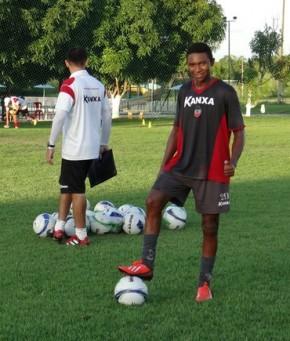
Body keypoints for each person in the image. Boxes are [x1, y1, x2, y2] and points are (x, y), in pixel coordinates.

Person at [118, 42, 245, 301]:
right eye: (192, 64)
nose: (197, 69)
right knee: (153, 201)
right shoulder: (184, 91)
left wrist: (233, 161)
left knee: (210, 226)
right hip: (181, 164)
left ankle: (204, 285)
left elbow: (239, 133)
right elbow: (177, 129)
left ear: (211, 62)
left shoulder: (225, 92)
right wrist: (165, 164)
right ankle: (147, 263)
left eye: (202, 63)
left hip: (213, 170)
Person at [46, 47, 112, 246]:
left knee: (76, 190)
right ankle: (59, 228)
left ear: (67, 63)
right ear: (87, 61)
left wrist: (50, 144)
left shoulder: (70, 85)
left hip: (74, 149)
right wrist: (104, 142)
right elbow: (107, 115)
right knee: (66, 186)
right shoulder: (99, 85)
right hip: (92, 148)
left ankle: (81, 236)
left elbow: (59, 116)